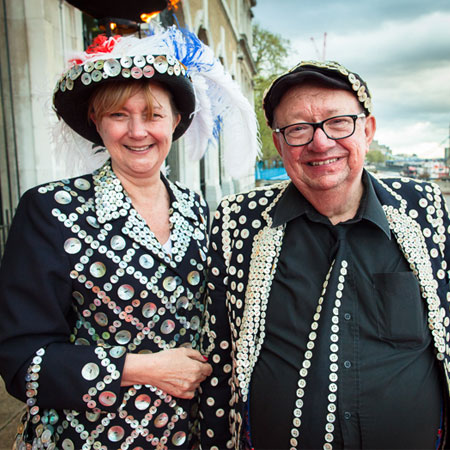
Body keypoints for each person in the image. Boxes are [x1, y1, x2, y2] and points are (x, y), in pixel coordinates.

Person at [0, 26, 258, 450]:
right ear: (95, 122)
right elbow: (22, 363)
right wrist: (142, 368)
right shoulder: (52, 210)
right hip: (86, 439)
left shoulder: (196, 208)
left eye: (153, 115)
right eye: (119, 114)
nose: (138, 131)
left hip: (187, 437)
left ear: (175, 123)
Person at [199, 60, 450, 449]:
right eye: (298, 129)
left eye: (338, 123)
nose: (320, 142)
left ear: (367, 131)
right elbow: (218, 357)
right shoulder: (238, 222)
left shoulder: (424, 208)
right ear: (280, 144)